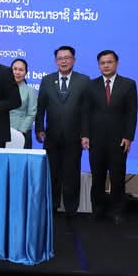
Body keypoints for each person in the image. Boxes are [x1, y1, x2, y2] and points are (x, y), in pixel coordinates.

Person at [35, 46, 91, 217]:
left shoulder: (84, 81)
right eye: (60, 58)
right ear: (55, 61)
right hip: (51, 136)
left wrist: (85, 134)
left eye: (67, 58)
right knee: (52, 173)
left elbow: (87, 111)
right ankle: (52, 206)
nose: (64, 61)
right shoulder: (47, 80)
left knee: (71, 173)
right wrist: (39, 128)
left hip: (74, 137)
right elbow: (41, 107)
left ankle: (71, 208)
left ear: (74, 60)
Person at [86, 50, 138, 225]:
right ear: (98, 65)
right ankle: (97, 210)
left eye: (109, 62)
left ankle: (117, 211)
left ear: (116, 63)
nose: (106, 65)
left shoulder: (128, 84)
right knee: (97, 177)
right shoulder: (91, 85)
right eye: (102, 63)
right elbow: (86, 112)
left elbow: (132, 113)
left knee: (117, 178)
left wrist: (128, 136)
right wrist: (85, 135)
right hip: (96, 140)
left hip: (119, 140)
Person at [9, 58, 37, 149]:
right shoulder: (2, 88)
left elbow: (32, 113)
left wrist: (21, 131)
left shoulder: (30, 90)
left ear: (26, 73)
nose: (17, 72)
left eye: (21, 70)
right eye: (15, 69)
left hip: (22, 132)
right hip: (3, 131)